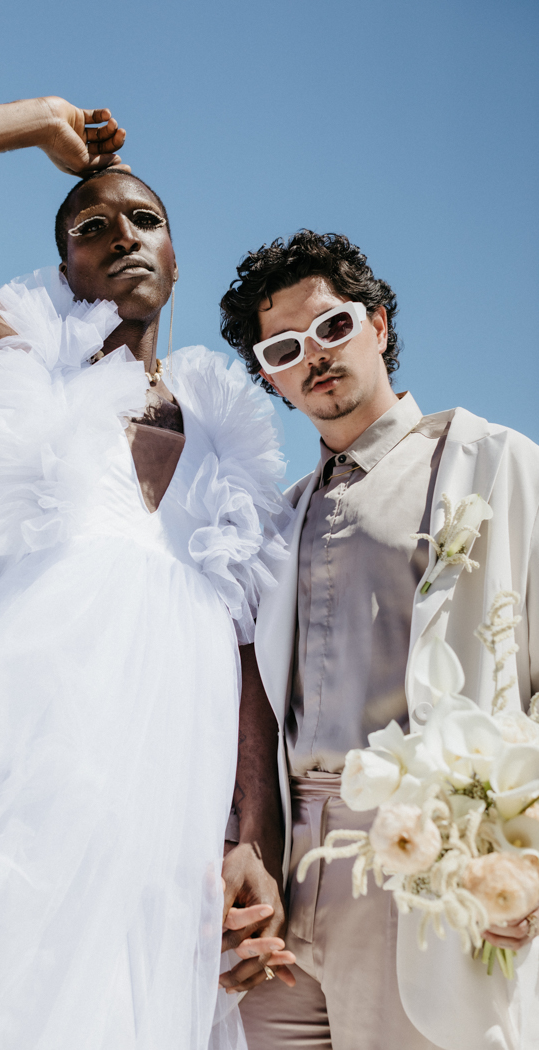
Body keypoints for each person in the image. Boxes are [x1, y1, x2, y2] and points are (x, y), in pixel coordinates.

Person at [0, 97, 294, 1050]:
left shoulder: (234, 442)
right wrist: (34, 121)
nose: (120, 235)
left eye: (143, 220)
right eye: (90, 227)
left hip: (161, 827)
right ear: (65, 268)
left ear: (174, 257)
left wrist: (254, 839)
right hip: (3, 795)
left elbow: (244, 652)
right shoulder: (13, 369)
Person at [217, 230, 539, 1050]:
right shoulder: (278, 519)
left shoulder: (491, 463)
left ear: (379, 324)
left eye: (333, 326)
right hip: (289, 875)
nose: (315, 356)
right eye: (285, 348)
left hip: (421, 852)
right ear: (270, 379)